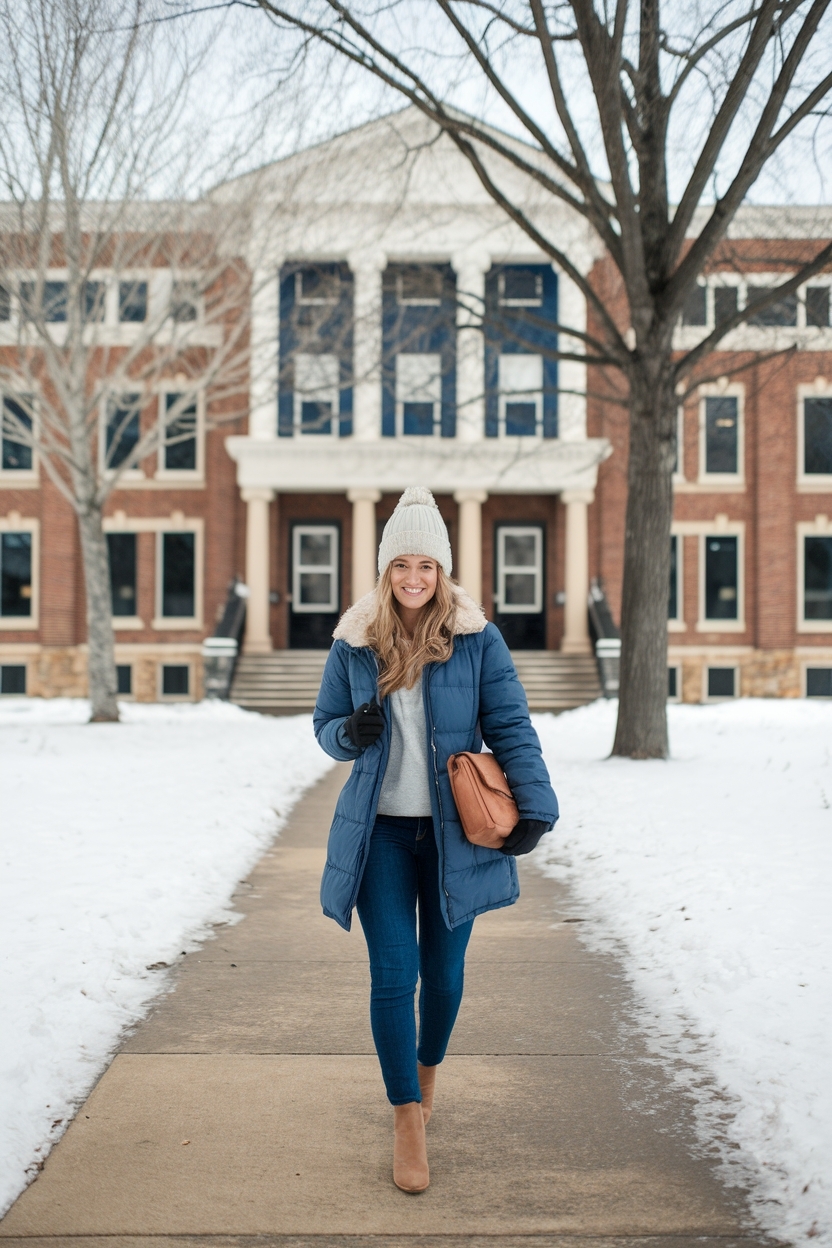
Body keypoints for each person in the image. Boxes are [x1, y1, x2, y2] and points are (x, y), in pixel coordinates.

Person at [313, 486, 558, 1193]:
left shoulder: (477, 638)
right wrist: (344, 735)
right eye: (400, 566)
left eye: (425, 565)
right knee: (395, 976)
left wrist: (535, 805)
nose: (413, 578)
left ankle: (425, 1079)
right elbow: (325, 724)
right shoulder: (355, 640)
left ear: (442, 570)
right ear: (385, 570)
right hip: (381, 836)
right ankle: (406, 1117)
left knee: (444, 981)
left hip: (458, 834)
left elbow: (511, 725)